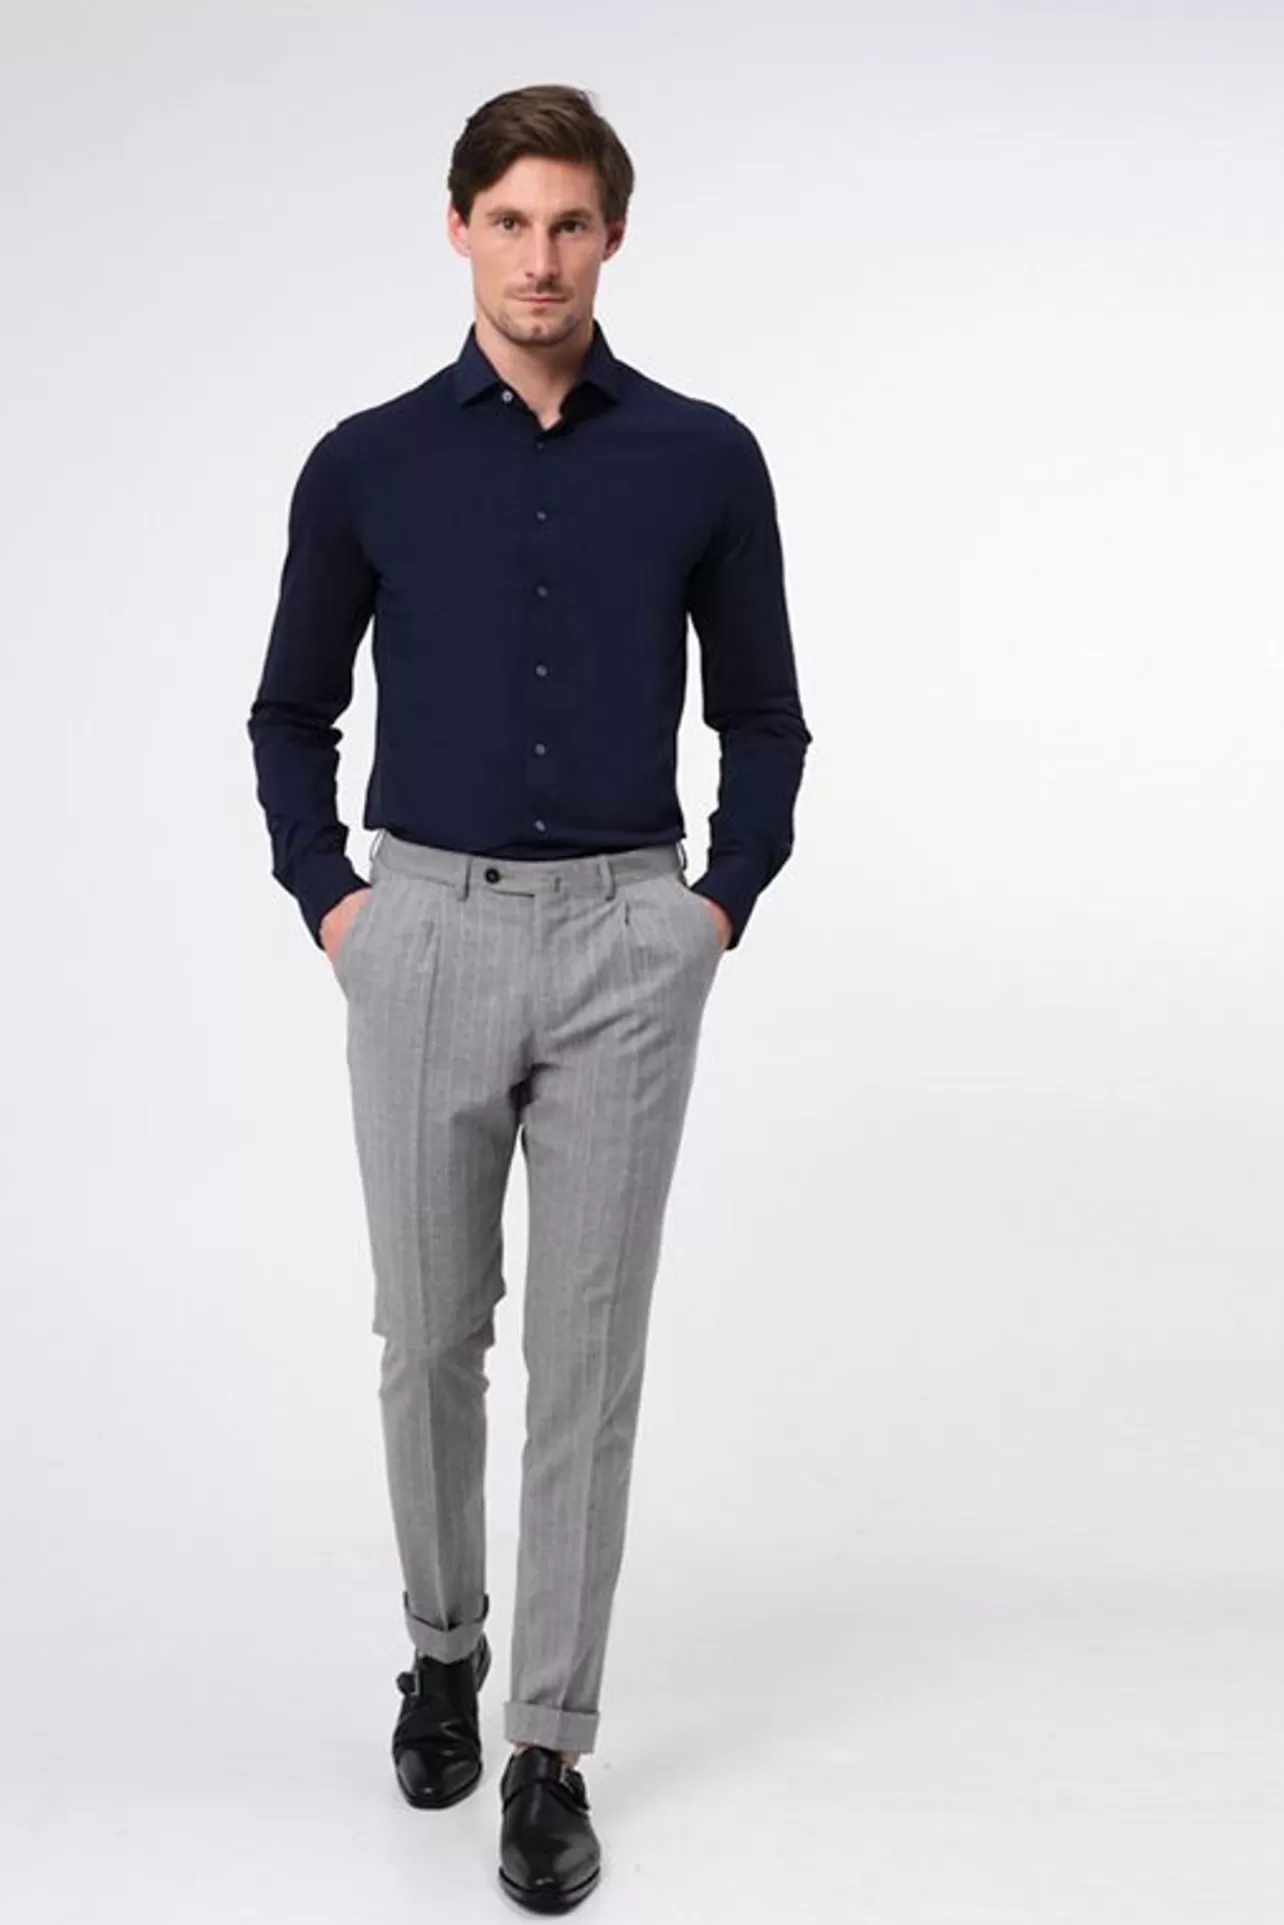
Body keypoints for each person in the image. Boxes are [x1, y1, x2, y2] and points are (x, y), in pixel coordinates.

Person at [246, 80, 811, 1913]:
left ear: (613, 238)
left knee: (588, 1359)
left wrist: (714, 907)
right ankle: (443, 1649)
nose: (541, 259)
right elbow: (289, 713)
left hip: (630, 942)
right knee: (429, 1336)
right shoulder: (369, 462)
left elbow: (764, 716)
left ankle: (549, 1746)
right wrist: (337, 903)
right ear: (459, 230)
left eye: (571, 224)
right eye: (510, 222)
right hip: (421, 929)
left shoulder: (705, 458)